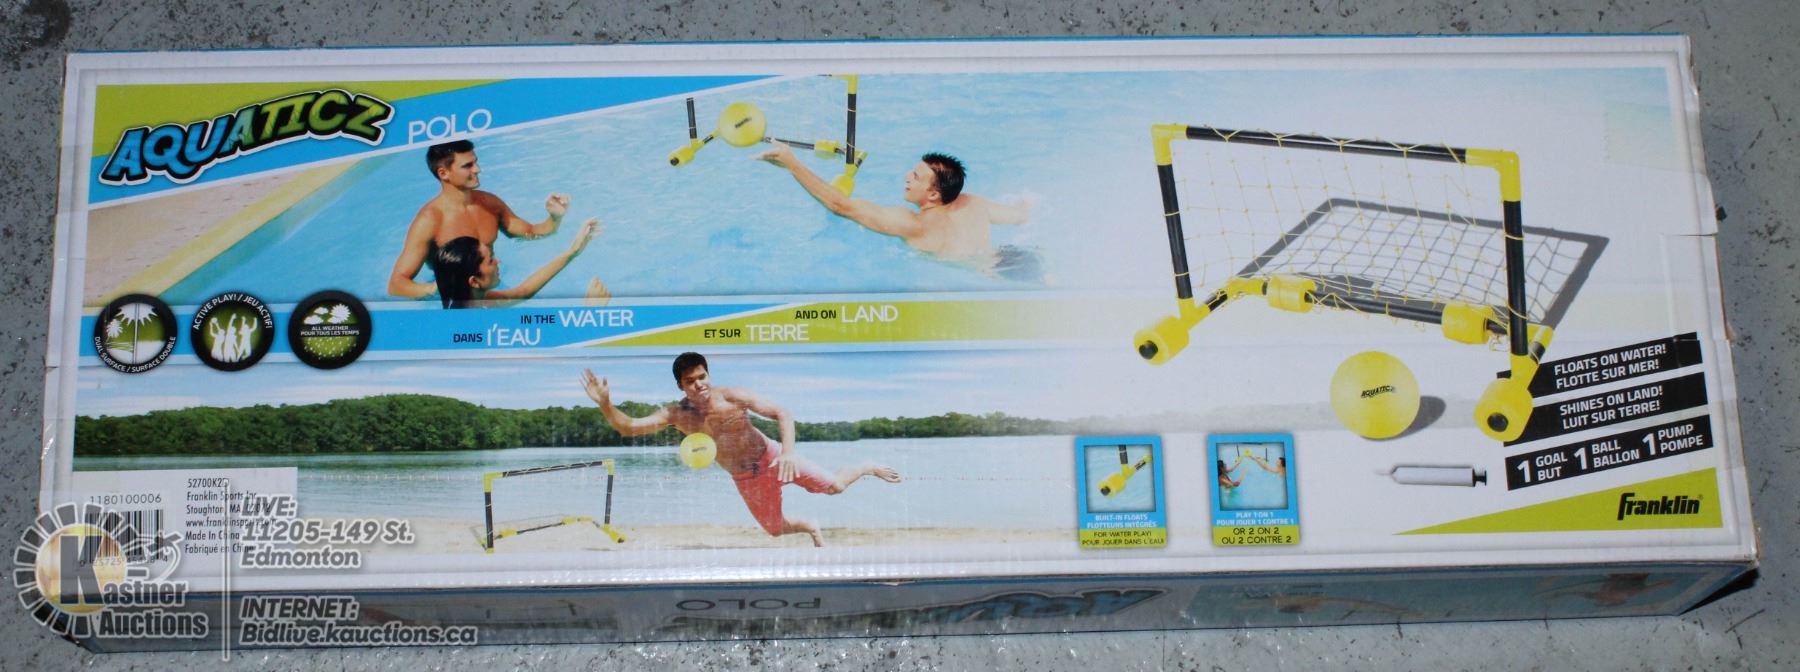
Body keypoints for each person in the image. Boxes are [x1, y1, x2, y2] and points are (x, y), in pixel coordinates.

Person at [580, 353, 901, 547]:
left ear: (708, 375)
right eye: (691, 381)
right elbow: (628, 427)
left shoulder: (732, 397)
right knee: (775, 530)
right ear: (680, 385)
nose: (699, 384)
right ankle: (810, 527)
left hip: (773, 457)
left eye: (702, 376)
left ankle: (867, 466)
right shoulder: (677, 415)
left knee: (835, 488)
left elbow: (782, 413)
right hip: (745, 478)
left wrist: (788, 453)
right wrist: (606, 404)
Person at [755, 142, 1031, 272]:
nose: (906, 177)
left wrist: (792, 164)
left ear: (934, 194)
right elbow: (1021, 216)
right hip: (1017, 259)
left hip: (995, 277)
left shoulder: (914, 225)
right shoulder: (973, 202)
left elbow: (840, 205)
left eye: (916, 177)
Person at [388, 139, 577, 299]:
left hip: (491, 284)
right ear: (443, 173)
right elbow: (396, 285)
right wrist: (437, 289)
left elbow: (532, 233)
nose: (478, 169)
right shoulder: (430, 220)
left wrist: (554, 218)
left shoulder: (489, 203)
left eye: (475, 162)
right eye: (467, 166)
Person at [432, 219, 607, 308]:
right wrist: (590, 313)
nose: (498, 261)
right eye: (491, 260)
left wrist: (573, 251)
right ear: (475, 282)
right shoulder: (474, 327)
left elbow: (524, 291)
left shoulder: (478, 300)